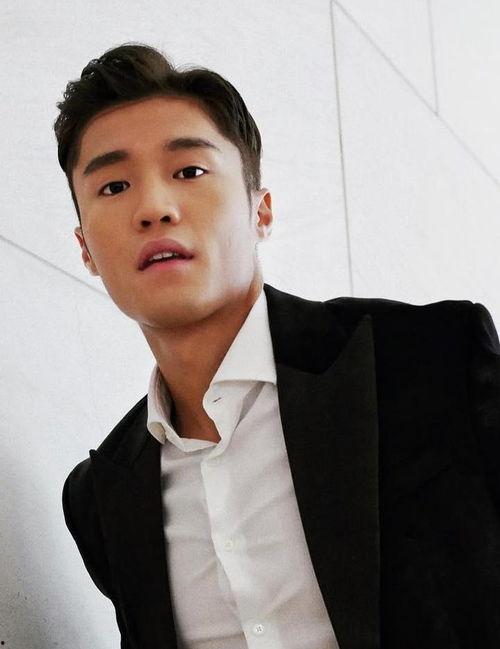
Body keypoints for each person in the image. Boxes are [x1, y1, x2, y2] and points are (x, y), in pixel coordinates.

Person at [54, 42, 500, 649]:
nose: (154, 208)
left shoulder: (429, 360)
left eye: (189, 172)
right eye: (113, 186)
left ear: (260, 211)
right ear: (85, 249)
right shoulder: (102, 497)